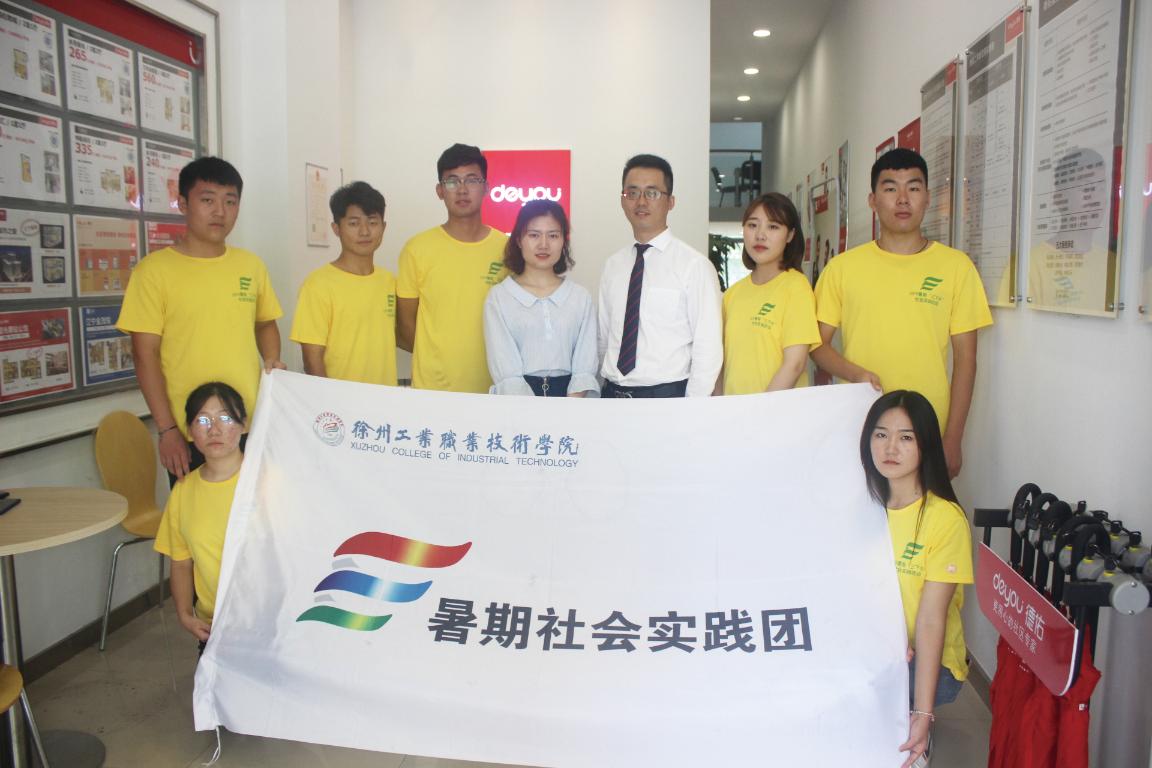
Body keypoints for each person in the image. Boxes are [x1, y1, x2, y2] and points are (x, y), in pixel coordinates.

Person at [813, 148, 992, 477]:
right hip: (861, 422)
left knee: (920, 510)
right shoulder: (841, 269)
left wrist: (953, 438)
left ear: (927, 197)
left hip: (927, 427)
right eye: (890, 188)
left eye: (913, 187)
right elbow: (817, 345)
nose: (903, 199)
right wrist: (855, 373)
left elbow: (966, 359)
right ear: (872, 200)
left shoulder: (956, 267)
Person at [117, 157, 284, 483]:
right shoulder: (153, 272)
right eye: (208, 200)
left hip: (249, 423)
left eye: (230, 202)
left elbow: (265, 323)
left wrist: (272, 360)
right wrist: (167, 429)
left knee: (257, 512)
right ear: (183, 203)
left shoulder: (250, 266)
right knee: (196, 513)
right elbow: (144, 354)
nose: (220, 211)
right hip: (192, 430)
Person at [860, 389, 973, 768]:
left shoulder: (945, 519)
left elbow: (930, 620)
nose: (890, 447)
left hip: (927, 660)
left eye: (905, 438)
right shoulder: (862, 508)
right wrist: (881, 639)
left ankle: (915, 720)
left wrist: (923, 715)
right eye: (880, 434)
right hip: (877, 648)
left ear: (925, 446)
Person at [598, 154, 722, 398]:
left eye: (652, 193)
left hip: (666, 397)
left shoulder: (694, 266)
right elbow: (603, 338)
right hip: (612, 395)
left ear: (670, 202)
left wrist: (690, 408)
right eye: (632, 193)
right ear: (622, 200)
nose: (641, 201)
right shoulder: (613, 265)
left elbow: (708, 348)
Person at [396, 143, 507, 393]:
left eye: (472, 180)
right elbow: (405, 327)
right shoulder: (416, 249)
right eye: (452, 181)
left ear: (486, 187)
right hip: (432, 390)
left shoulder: (507, 249)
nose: (462, 189)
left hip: (494, 388)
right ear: (439, 190)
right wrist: (436, 359)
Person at [154, 382, 248, 649]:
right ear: (189, 431)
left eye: (225, 418)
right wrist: (185, 615)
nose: (214, 430)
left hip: (269, 623)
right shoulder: (184, 490)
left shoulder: (267, 481)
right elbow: (181, 562)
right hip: (215, 626)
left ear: (244, 424)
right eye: (203, 420)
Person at [483, 200, 598, 397]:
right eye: (534, 235)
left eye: (553, 235)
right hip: (517, 401)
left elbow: (585, 366)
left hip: (572, 399)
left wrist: (569, 408)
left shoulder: (580, 297)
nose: (543, 244)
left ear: (563, 241)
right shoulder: (499, 297)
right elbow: (506, 369)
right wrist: (532, 412)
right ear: (519, 240)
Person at [291, 181, 397, 385]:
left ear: (383, 227)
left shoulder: (389, 281)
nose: (365, 232)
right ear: (336, 228)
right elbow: (312, 361)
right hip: (340, 401)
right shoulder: (318, 285)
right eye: (354, 223)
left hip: (384, 399)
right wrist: (330, 401)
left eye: (372, 222)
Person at [718, 193, 820, 394]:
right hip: (732, 411)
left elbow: (795, 364)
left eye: (773, 227)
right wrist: (720, 404)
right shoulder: (732, 295)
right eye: (752, 225)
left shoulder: (796, 287)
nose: (760, 235)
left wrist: (761, 409)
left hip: (777, 410)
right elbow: (720, 363)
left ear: (790, 235)